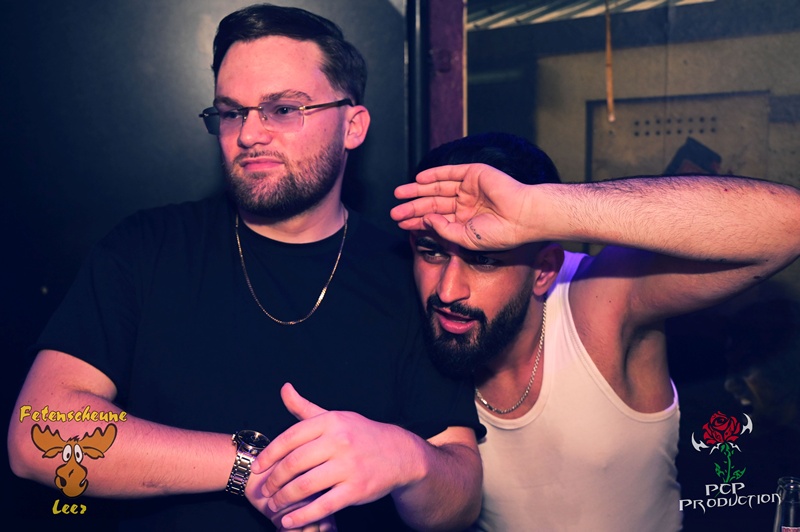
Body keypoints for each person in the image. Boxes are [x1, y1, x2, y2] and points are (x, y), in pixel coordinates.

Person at [7, 4, 483, 531]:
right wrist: (252, 468)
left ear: (353, 126)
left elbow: (461, 501)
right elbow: (36, 436)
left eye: (283, 109)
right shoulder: (147, 248)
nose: (250, 133)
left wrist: (407, 459)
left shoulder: (410, 272)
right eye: (232, 112)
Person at [389, 132, 800, 531]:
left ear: (543, 271)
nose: (448, 291)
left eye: (484, 259)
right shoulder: (413, 328)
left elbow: (789, 225)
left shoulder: (596, 300)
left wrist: (537, 209)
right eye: (432, 251)